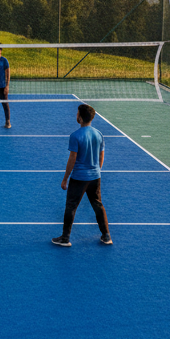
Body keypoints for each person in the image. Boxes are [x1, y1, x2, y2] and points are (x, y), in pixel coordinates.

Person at [52, 103, 112, 247]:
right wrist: (97, 170)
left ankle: (65, 238)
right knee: (98, 205)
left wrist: (65, 178)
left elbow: (72, 159)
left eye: (77, 113)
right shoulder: (99, 134)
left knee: (71, 206)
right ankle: (106, 236)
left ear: (80, 117)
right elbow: (101, 156)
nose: (76, 115)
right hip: (95, 177)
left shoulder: (75, 136)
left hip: (79, 178)